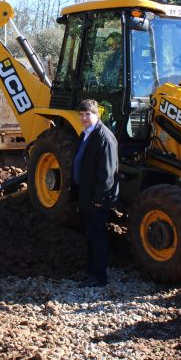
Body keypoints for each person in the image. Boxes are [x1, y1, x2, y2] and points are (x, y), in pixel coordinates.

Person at [71, 99, 119, 288]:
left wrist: (99, 199)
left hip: (96, 199)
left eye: (88, 114)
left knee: (97, 235)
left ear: (97, 114)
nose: (84, 118)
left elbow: (107, 173)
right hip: (86, 195)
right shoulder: (86, 134)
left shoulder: (103, 137)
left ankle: (99, 276)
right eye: (81, 114)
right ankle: (91, 273)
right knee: (90, 235)